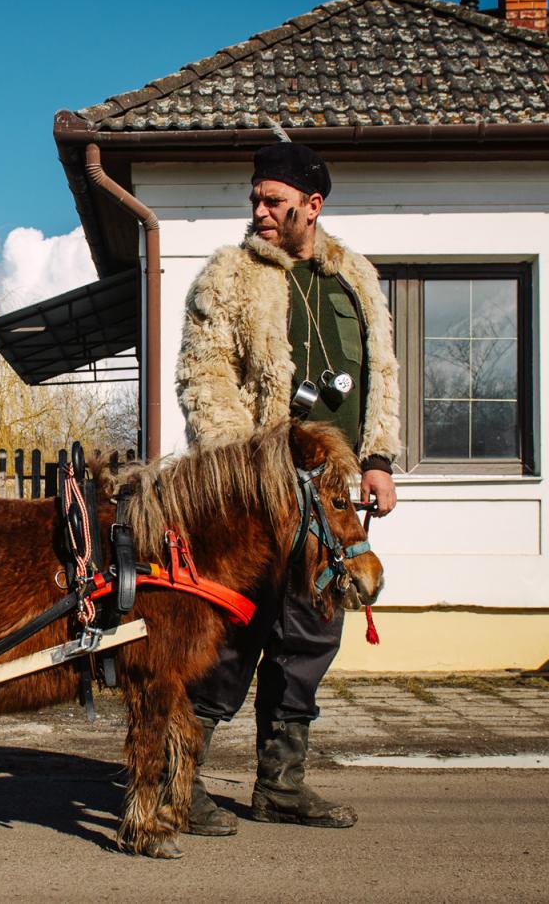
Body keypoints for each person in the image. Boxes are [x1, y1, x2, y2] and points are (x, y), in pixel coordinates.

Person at [175, 140, 400, 834]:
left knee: (312, 635)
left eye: (273, 200)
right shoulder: (229, 277)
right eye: (255, 198)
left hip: (332, 498)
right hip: (259, 489)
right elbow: (204, 378)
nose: (259, 210)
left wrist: (380, 459)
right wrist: (244, 469)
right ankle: (177, 780)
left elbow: (379, 375)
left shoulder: (356, 279)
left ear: (312, 206)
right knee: (234, 633)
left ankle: (281, 784)